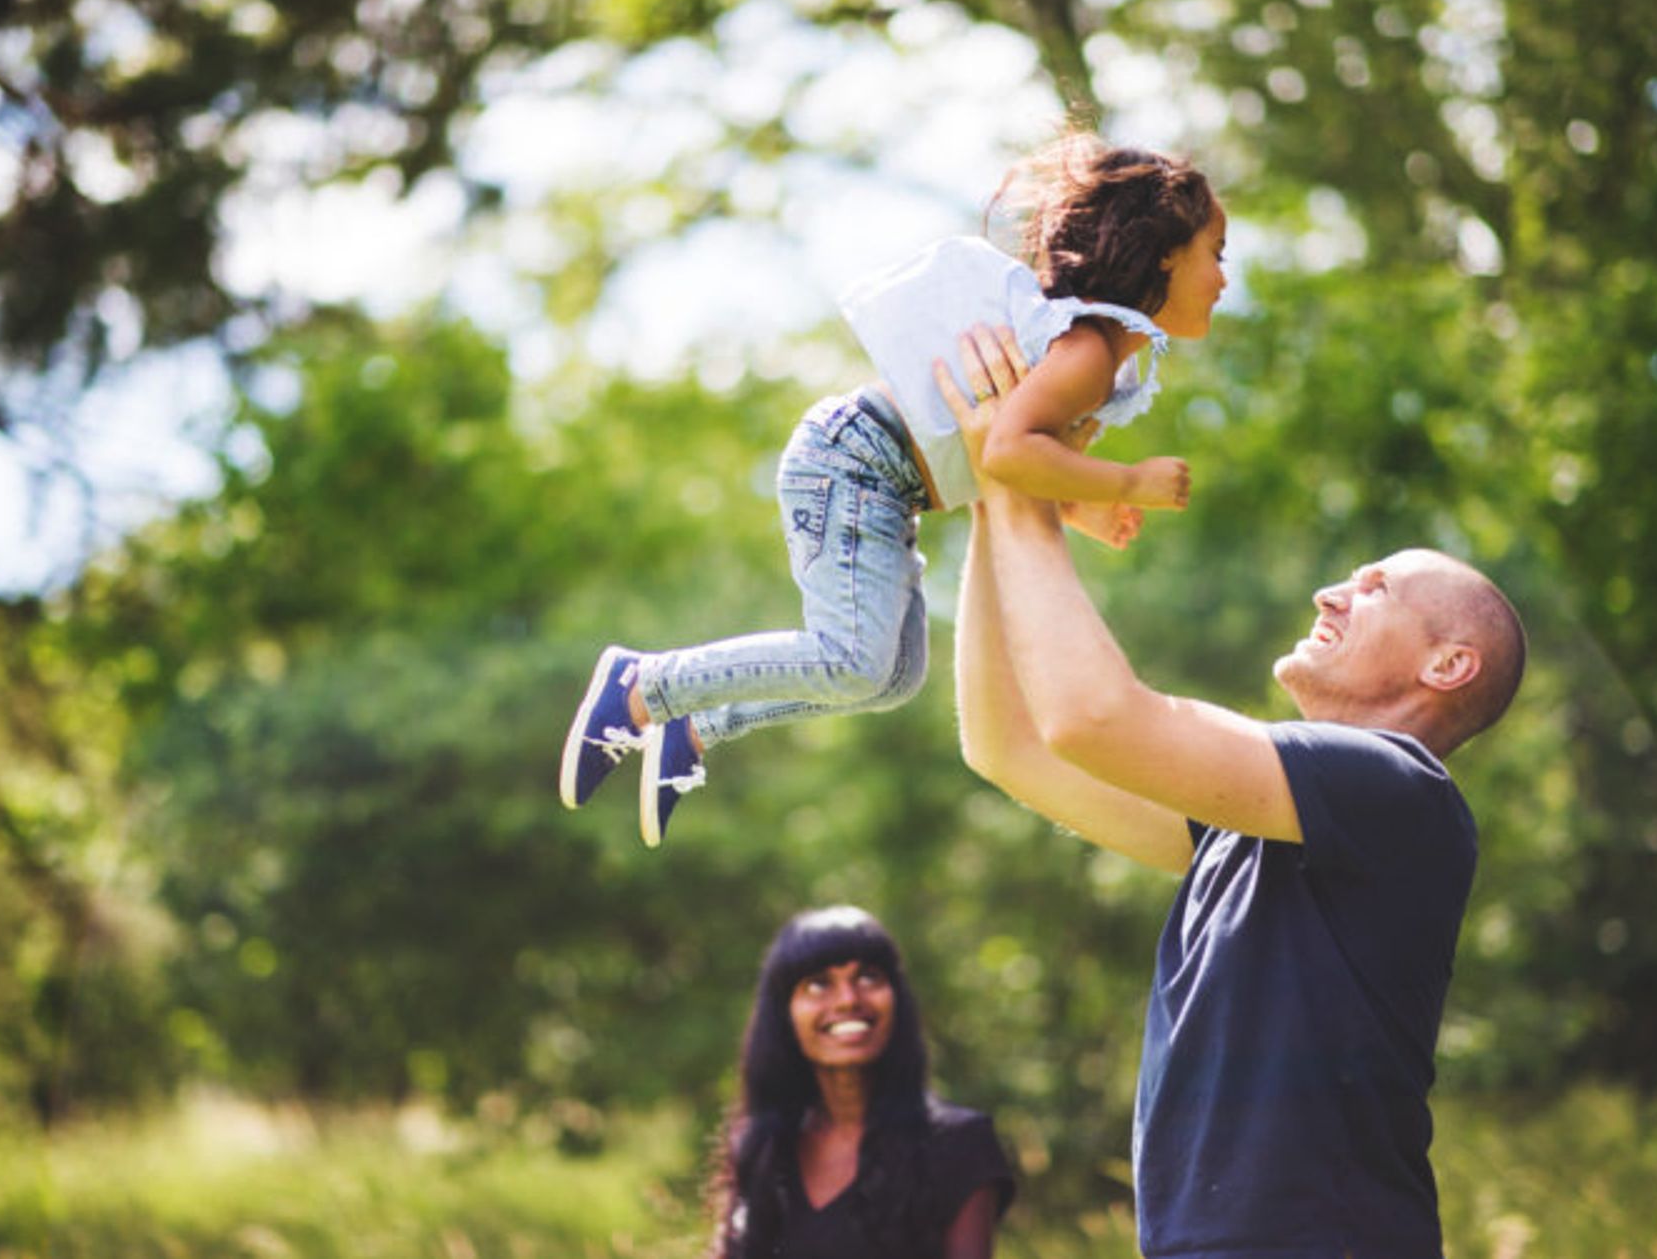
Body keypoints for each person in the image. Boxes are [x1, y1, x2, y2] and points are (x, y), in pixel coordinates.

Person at [935, 328, 1526, 1258]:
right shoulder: (1249, 833)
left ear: (1448, 663)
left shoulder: (1399, 790)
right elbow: (1007, 745)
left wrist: (1024, 466)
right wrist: (992, 494)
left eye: (1375, 588)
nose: (1333, 590)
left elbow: (1092, 717)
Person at [558, 131, 1228, 846]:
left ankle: (695, 725)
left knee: (889, 677)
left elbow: (1011, 451)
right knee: (853, 660)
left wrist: (1081, 503)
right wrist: (1128, 479)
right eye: (1215, 254)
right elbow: (1006, 448)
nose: (1223, 278)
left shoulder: (1095, 355)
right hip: (856, 462)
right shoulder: (1089, 350)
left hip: (886, 486)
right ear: (1164, 253)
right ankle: (643, 687)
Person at [706, 905, 1016, 1259]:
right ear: (784, 1015)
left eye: (868, 977)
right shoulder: (761, 1145)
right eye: (819, 984)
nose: (849, 999)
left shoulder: (959, 1144)